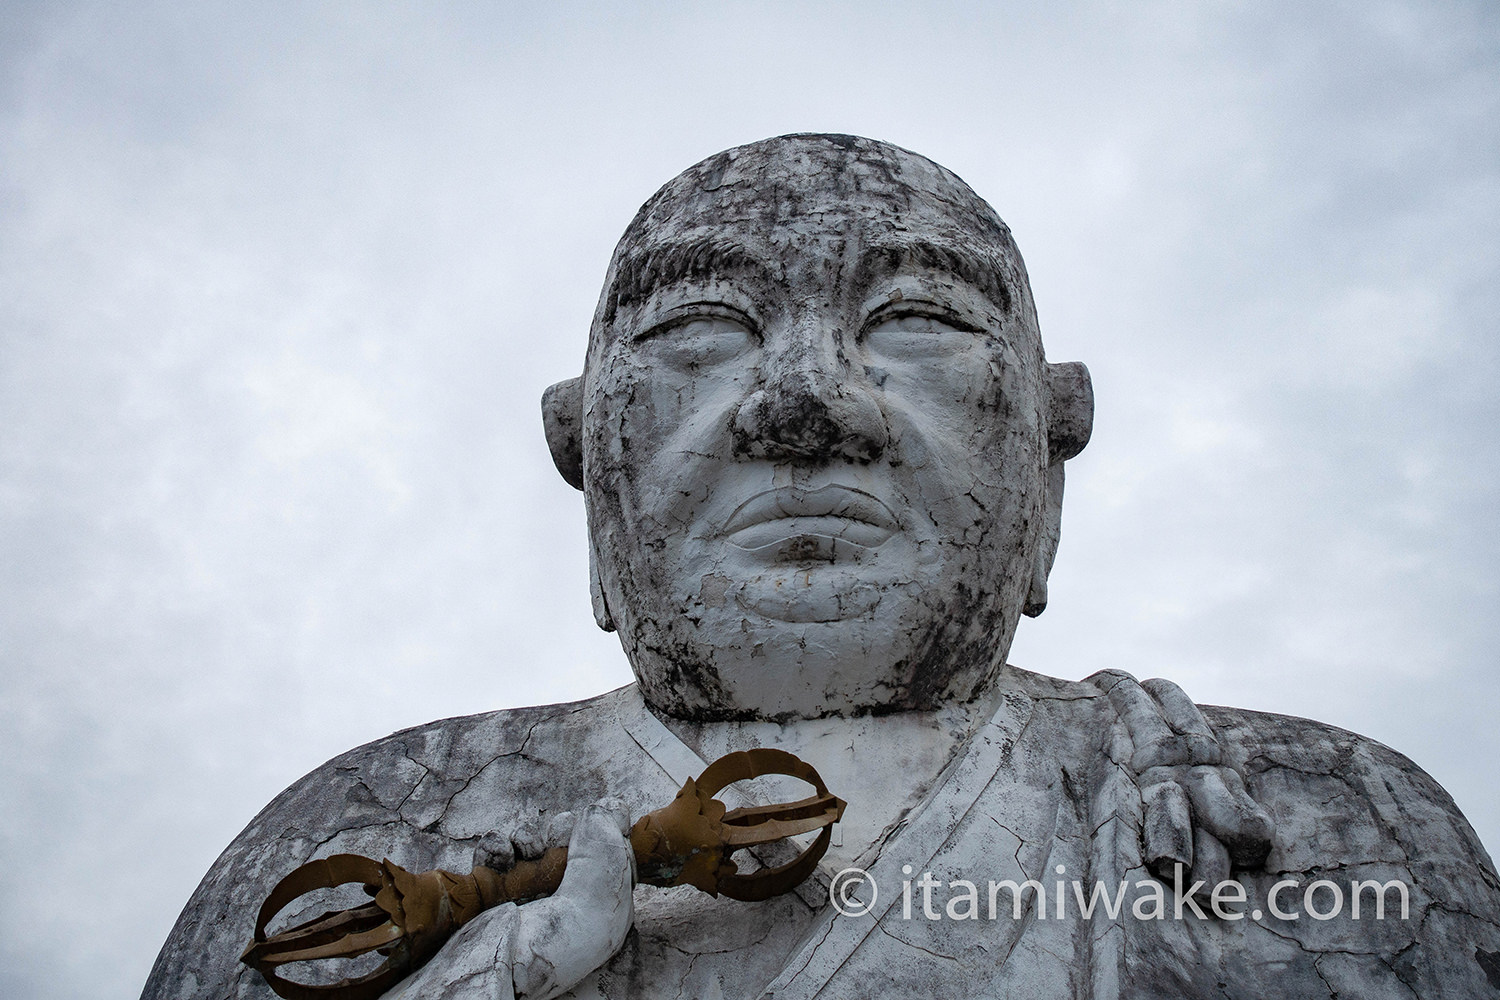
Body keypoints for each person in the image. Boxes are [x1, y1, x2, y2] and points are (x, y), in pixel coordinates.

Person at [143, 134, 1500, 999]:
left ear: (1049, 440)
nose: (805, 401)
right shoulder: (368, 836)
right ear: (586, 450)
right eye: (701, 328)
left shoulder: (1327, 824)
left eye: (915, 320)